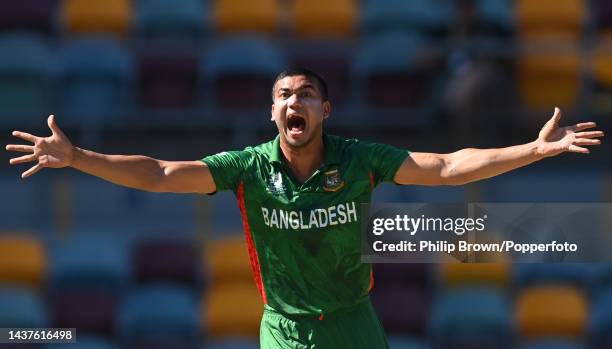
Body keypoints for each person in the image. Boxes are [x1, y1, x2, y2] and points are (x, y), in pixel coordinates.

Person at [5, 68, 604, 348]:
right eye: (284, 96)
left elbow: (446, 166)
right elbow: (160, 174)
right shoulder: (248, 167)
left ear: (326, 110)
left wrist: (533, 148)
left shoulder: (358, 156)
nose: (296, 102)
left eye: (307, 95)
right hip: (285, 327)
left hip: (354, 319)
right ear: (273, 115)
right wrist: (78, 156)